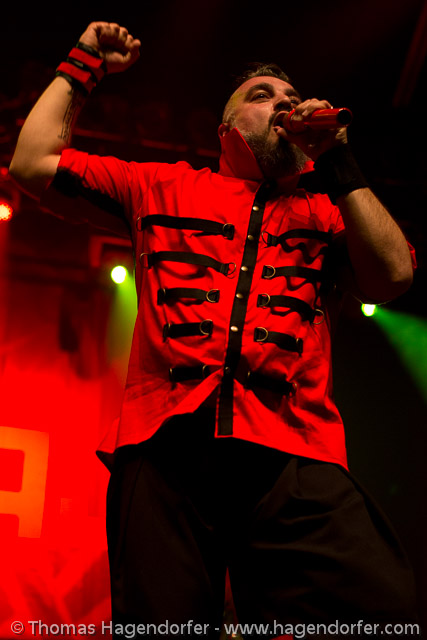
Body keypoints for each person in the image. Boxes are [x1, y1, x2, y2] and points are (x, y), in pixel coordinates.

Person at [10, 21, 420, 640]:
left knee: (381, 613)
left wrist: (338, 156)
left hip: (293, 450)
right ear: (226, 129)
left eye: (291, 97)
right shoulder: (160, 185)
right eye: (262, 95)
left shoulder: (328, 212)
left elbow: (393, 275)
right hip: (165, 449)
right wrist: (84, 62)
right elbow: (31, 162)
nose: (283, 104)